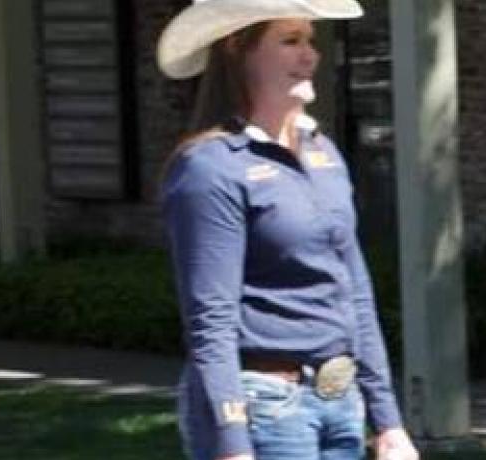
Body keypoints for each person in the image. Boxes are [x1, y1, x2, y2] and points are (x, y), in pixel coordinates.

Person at [155, 1, 418, 459]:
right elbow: (209, 317)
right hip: (265, 405)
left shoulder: (324, 153)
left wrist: (389, 421)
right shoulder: (210, 167)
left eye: (310, 41)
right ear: (239, 50)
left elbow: (354, 290)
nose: (310, 56)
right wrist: (231, 439)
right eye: (290, 40)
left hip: (341, 401)